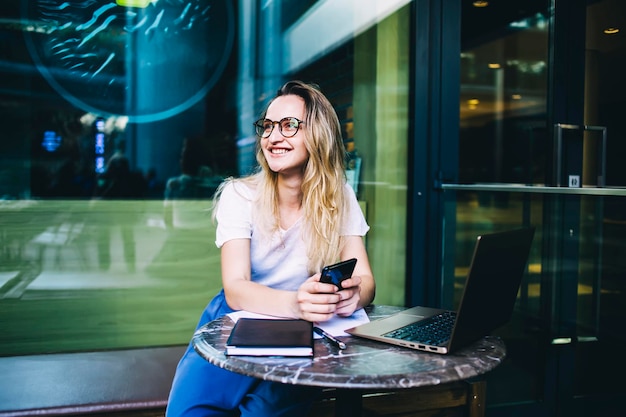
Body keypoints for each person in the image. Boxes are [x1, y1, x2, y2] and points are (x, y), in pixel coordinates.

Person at [166, 80, 376, 417]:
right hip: (235, 319)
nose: (272, 137)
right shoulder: (239, 195)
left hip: (304, 328)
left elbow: (365, 279)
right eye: (268, 126)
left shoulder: (341, 197)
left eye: (289, 125)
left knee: (263, 413)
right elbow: (235, 289)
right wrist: (296, 302)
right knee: (190, 412)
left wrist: (356, 295)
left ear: (318, 134)